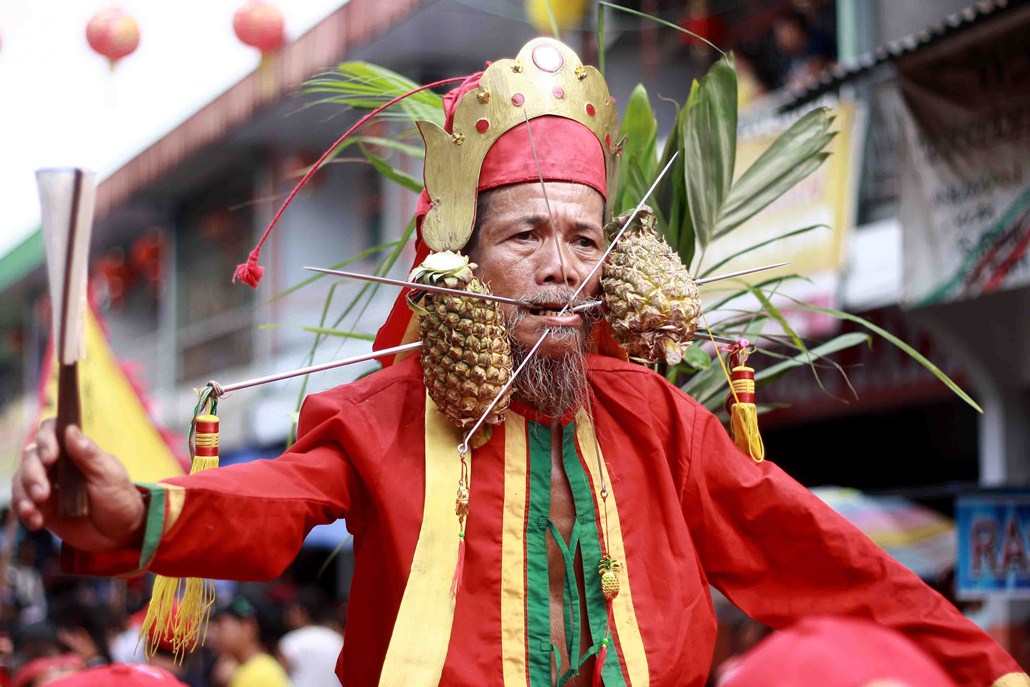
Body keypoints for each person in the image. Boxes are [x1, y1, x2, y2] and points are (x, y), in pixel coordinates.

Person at [12, 37, 1030, 687]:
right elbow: (270, 502)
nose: (559, 268)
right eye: (526, 236)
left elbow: (814, 554)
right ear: (461, 255)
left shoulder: (658, 417)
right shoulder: (385, 411)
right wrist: (132, 511)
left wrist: (985, 669)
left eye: (584, 240)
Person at [209, 594, 291, 687]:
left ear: (248, 627)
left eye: (220, 625)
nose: (214, 633)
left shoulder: (256, 676)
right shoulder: (260, 668)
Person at [276, 587, 343, 687]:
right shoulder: (337, 639)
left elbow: (278, 675)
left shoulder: (291, 641)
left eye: (292, 610)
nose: (288, 615)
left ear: (302, 612)